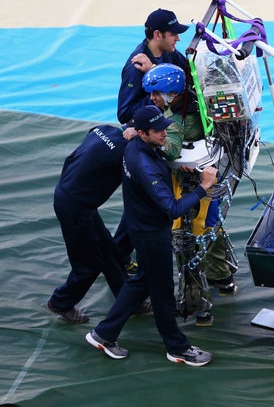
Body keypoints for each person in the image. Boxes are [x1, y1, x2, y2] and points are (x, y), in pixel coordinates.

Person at [85, 105, 216, 366]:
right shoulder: (145, 164)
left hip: (139, 225)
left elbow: (157, 163)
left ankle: (104, 333)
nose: (164, 134)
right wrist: (204, 186)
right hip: (152, 233)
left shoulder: (136, 146)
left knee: (142, 281)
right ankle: (177, 347)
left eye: (164, 128)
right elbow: (173, 208)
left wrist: (179, 165)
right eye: (158, 131)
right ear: (142, 133)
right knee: (163, 291)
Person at [142, 64, 238, 327]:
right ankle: (223, 278)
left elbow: (170, 149)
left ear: (172, 93)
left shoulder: (176, 121)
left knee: (186, 245)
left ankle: (197, 307)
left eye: (156, 94)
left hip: (192, 192)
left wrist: (142, 138)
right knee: (212, 228)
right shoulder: (200, 100)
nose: (152, 99)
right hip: (213, 184)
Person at [46, 125, 140, 323]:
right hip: (76, 206)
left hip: (71, 193)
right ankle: (60, 302)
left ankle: (129, 302)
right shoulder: (127, 154)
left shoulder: (103, 129)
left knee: (109, 252)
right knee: (88, 263)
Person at [117, 9, 190, 125]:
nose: (178, 38)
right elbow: (124, 114)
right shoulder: (135, 68)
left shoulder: (170, 51)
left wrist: (154, 70)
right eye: (173, 34)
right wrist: (157, 95)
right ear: (157, 35)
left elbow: (189, 74)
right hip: (156, 126)